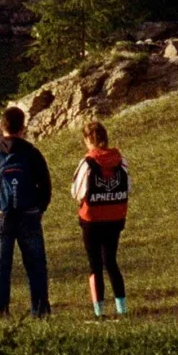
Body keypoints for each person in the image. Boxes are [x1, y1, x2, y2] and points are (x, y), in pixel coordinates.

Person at [0, 105, 52, 318]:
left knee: (1, 265)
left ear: (1, 127)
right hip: (29, 214)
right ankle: (40, 310)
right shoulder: (32, 153)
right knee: (35, 264)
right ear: (23, 127)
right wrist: (40, 208)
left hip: (0, 215)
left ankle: (1, 311)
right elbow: (45, 185)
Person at [70, 118, 130, 317]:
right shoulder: (121, 161)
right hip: (115, 219)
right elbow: (128, 188)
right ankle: (122, 309)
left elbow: (76, 192)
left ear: (88, 139)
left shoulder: (87, 162)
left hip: (92, 220)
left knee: (95, 265)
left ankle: (99, 312)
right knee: (111, 262)